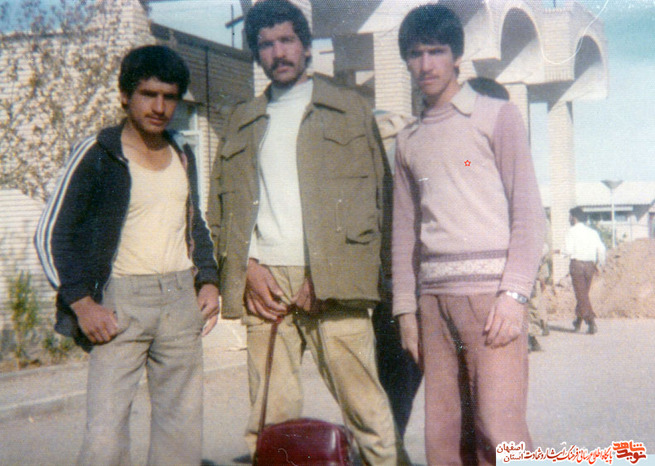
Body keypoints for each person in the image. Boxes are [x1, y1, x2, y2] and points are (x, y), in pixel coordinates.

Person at [206, 1, 408, 464]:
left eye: (287, 40)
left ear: (306, 45)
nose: (278, 53)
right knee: (269, 424)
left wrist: (333, 272)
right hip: (265, 285)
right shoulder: (242, 120)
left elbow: (380, 202)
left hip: (334, 280)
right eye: (266, 45)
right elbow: (221, 208)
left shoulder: (349, 109)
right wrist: (247, 267)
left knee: (368, 413)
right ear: (256, 54)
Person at [34, 45, 220, 465]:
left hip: (179, 302)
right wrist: (82, 303)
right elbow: (51, 235)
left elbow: (194, 225)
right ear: (124, 95)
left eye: (169, 97)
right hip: (120, 306)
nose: (159, 107)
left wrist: (208, 280)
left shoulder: (182, 152)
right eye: (148, 94)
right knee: (105, 435)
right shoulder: (99, 152)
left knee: (181, 431)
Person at [393, 5, 545, 465]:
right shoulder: (408, 139)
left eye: (437, 51)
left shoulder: (497, 116)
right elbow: (405, 231)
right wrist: (406, 311)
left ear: (457, 56)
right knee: (443, 435)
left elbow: (528, 214)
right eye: (415, 54)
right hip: (433, 304)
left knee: (499, 430)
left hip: (490, 301)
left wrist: (514, 295)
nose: (426, 64)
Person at [563, 207, 606, 334]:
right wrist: (599, 264)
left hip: (577, 265)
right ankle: (578, 321)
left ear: (574, 218)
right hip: (589, 266)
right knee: (583, 294)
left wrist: (560, 252)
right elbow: (601, 249)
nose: (569, 219)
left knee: (581, 295)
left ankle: (591, 321)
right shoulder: (593, 232)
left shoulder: (571, 232)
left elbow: (568, 250)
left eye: (570, 216)